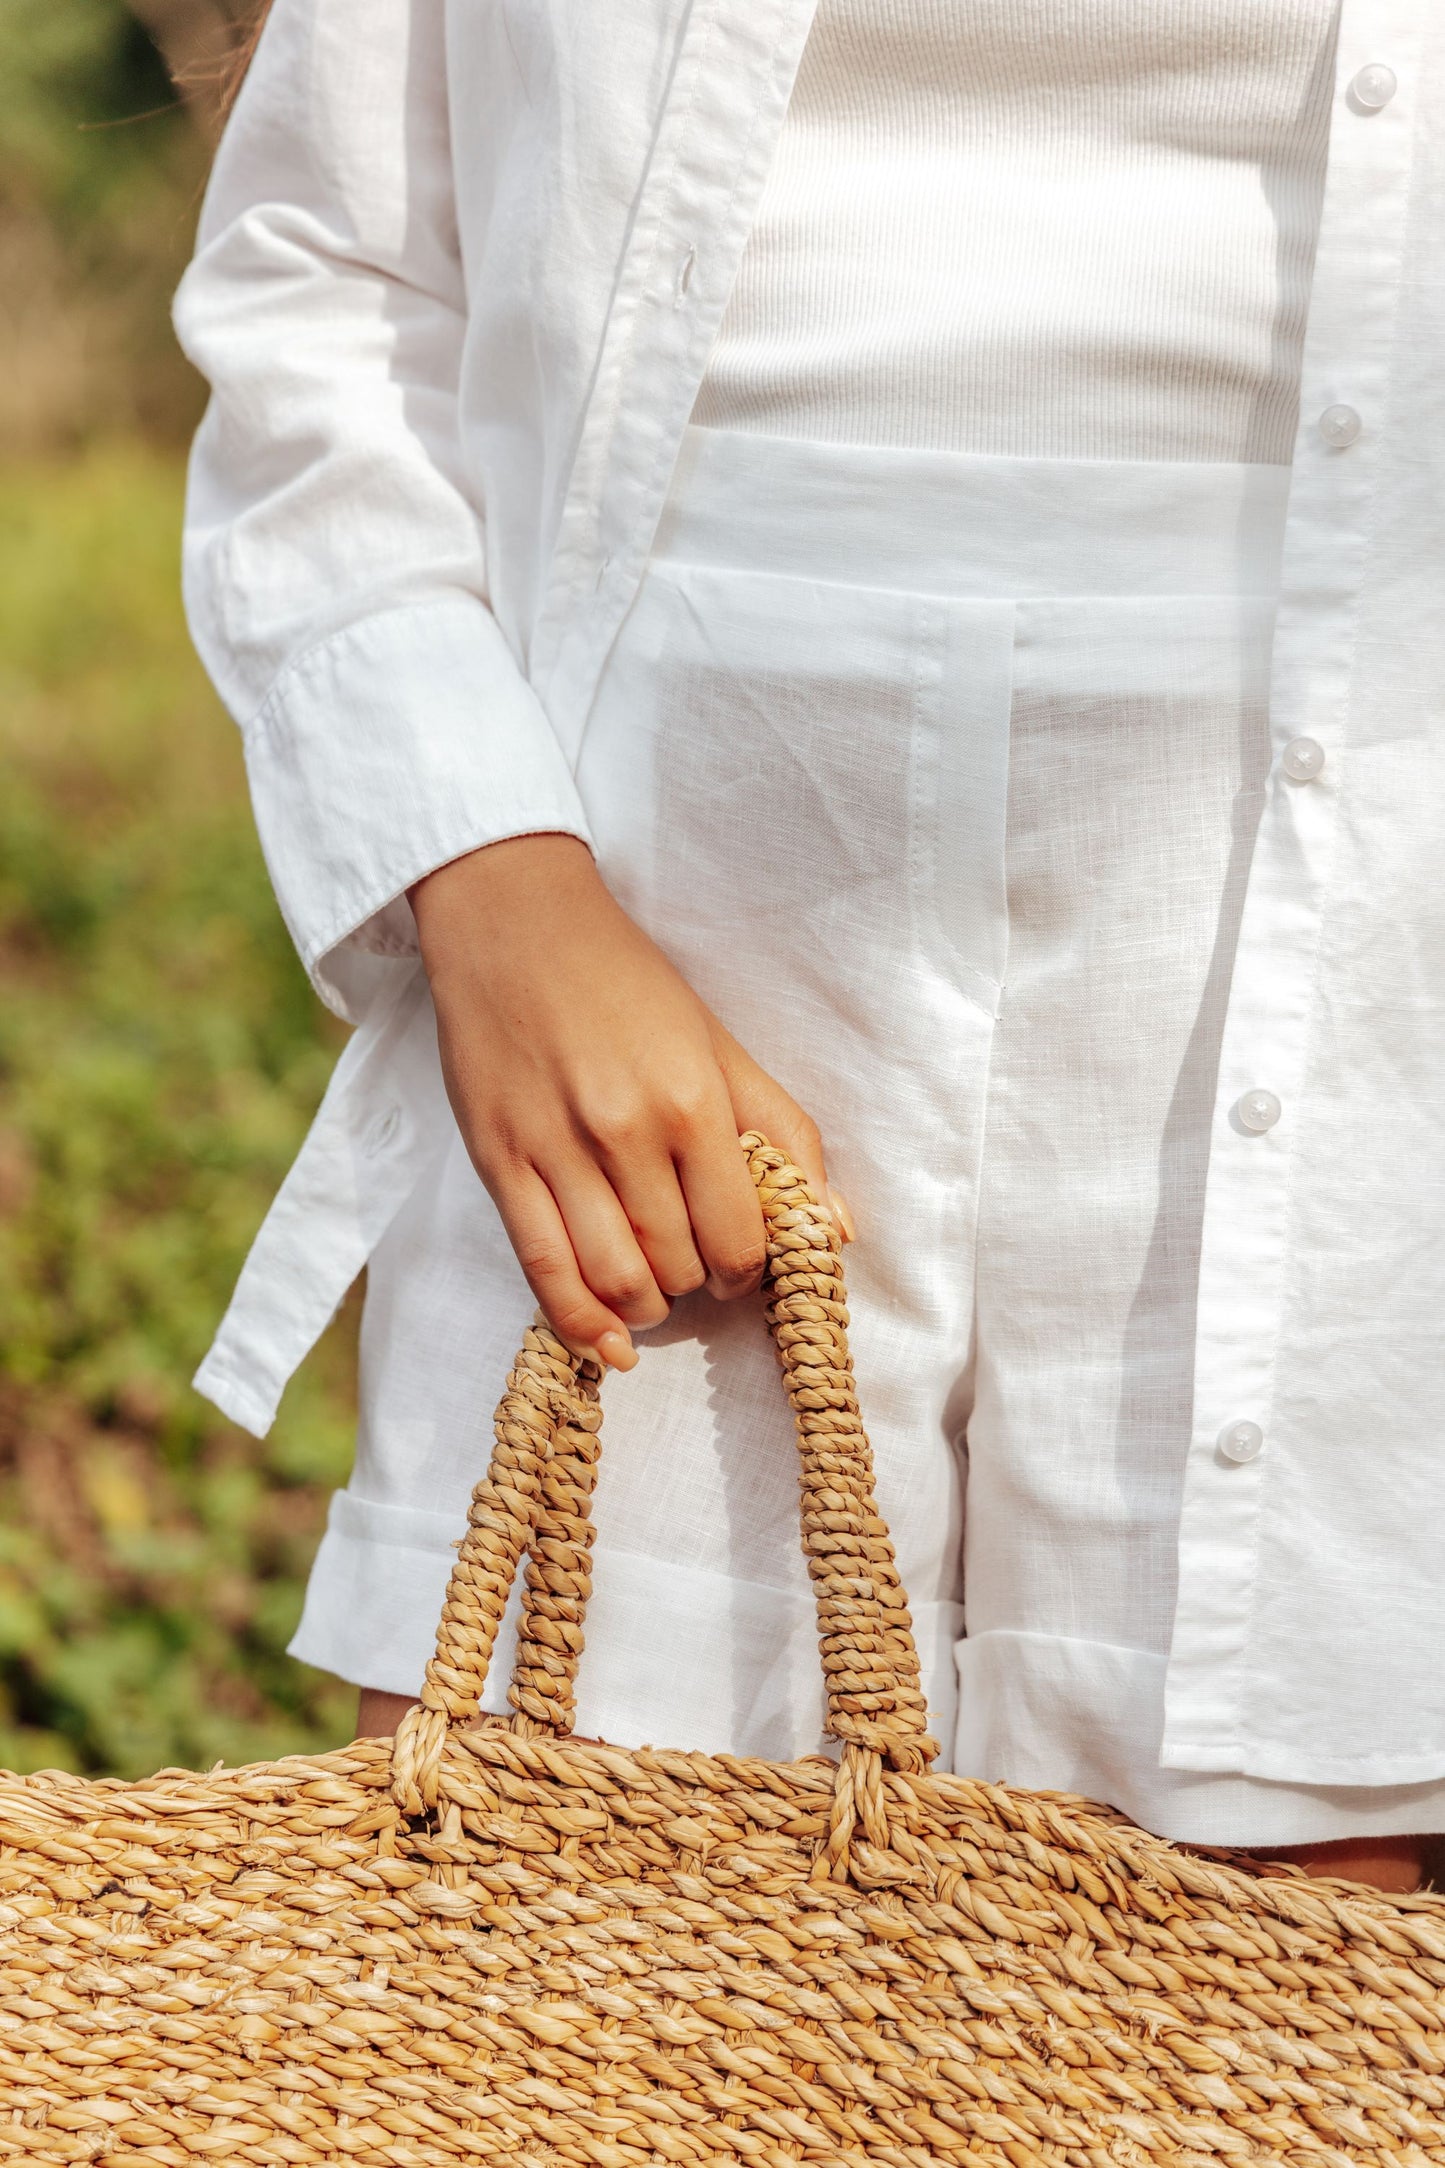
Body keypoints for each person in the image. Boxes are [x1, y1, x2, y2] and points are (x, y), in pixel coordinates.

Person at [175, 0, 1445, 1894]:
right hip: (654, 917)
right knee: (551, 1978)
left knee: (1257, 2036)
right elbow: (328, 274)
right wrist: (484, 872)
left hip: (1347, 988)